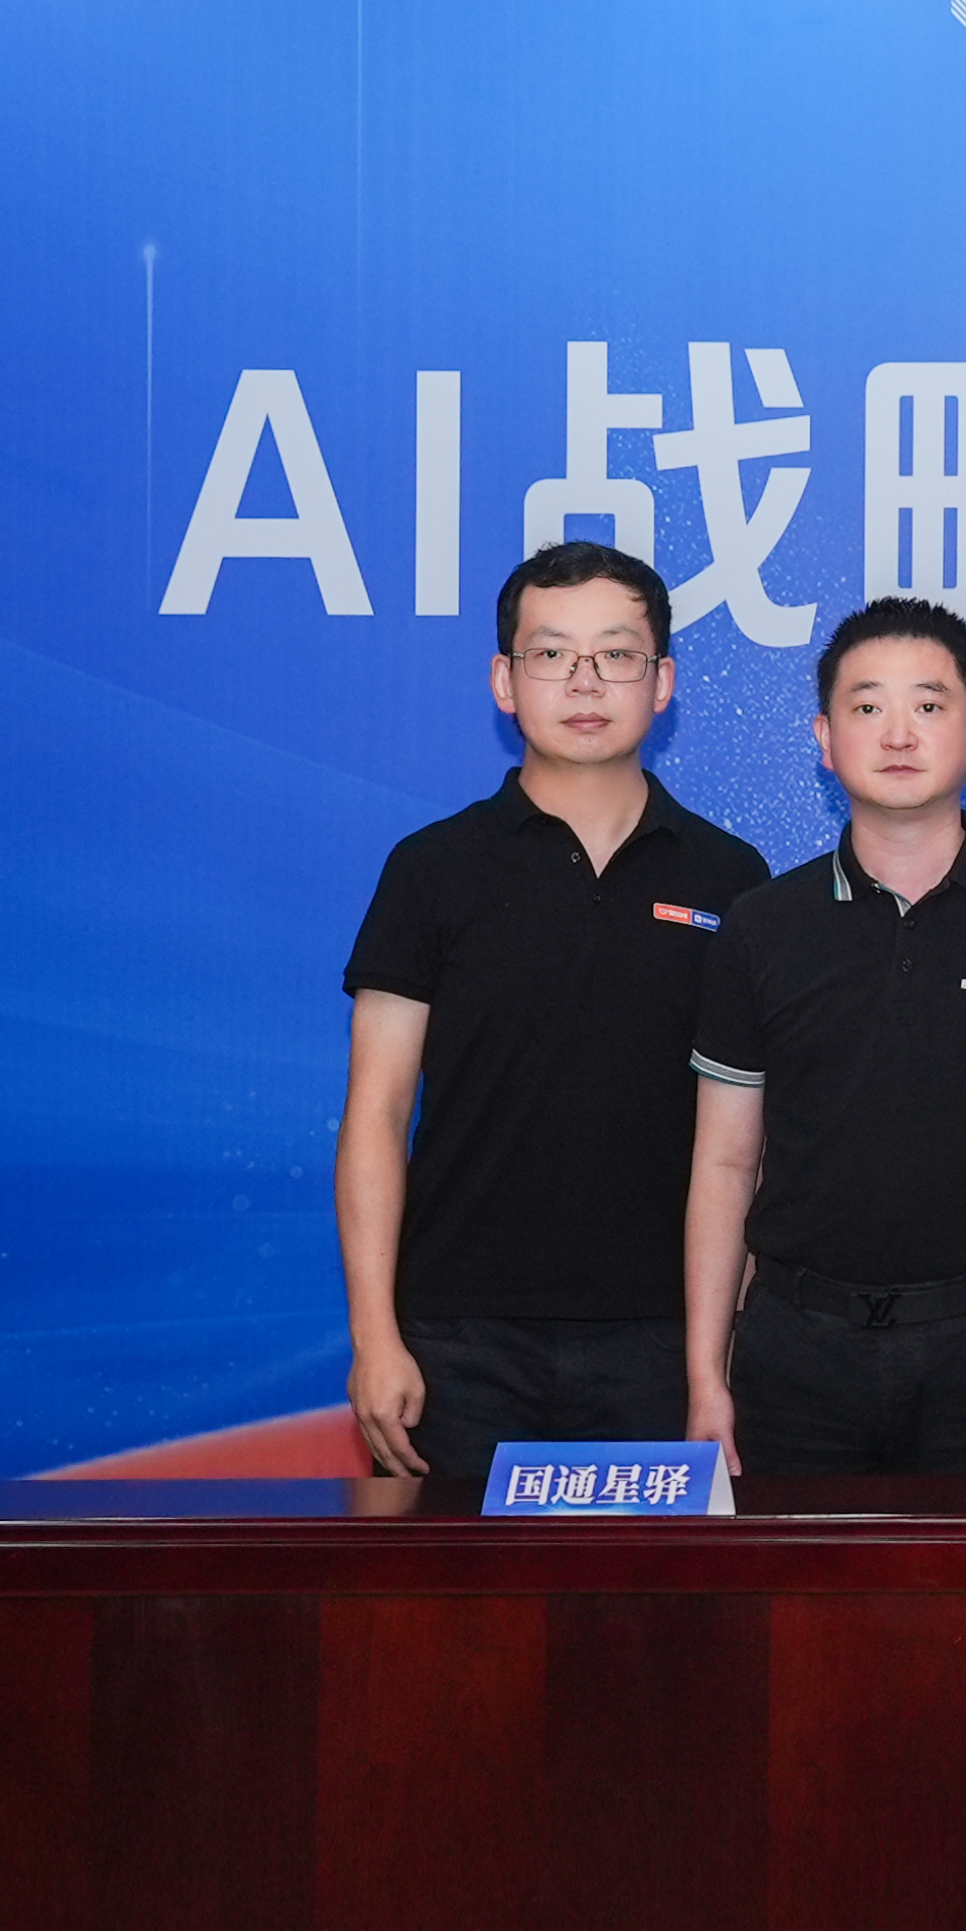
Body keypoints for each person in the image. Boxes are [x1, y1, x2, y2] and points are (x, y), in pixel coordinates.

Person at [335, 541, 771, 1478]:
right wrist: (376, 1337)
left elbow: (750, 1135)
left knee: (653, 1583)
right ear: (504, 680)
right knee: (459, 1582)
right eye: (551, 654)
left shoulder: (732, 879)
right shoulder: (432, 870)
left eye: (616, 654)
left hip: (666, 1339)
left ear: (663, 683)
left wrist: (724, 1341)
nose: (585, 681)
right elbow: (376, 1111)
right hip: (458, 1339)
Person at [681, 598, 966, 1475]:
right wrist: (705, 1374)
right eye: (867, 706)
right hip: (795, 1349)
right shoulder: (763, 926)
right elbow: (726, 1161)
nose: (898, 734)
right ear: (824, 738)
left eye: (928, 704)